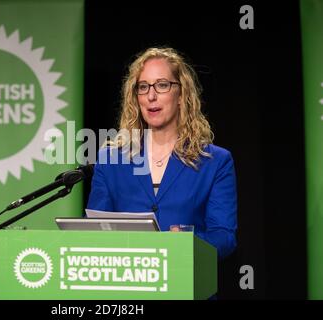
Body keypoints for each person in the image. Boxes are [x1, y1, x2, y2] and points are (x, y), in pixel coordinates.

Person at [87, 47, 237, 259]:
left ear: (181, 94)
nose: (151, 96)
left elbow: (224, 237)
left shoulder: (215, 162)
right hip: (127, 285)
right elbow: (95, 230)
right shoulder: (110, 160)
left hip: (185, 284)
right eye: (143, 87)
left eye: (162, 85)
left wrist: (186, 240)